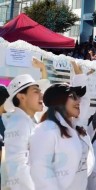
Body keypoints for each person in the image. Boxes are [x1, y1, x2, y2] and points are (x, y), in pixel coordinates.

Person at [30, 64, 95, 190]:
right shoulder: (46, 130)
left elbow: (85, 99)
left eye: (77, 97)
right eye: (72, 97)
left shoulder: (76, 126)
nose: (78, 101)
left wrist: (79, 74)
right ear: (58, 101)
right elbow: (39, 172)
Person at [1, 61, 49, 190]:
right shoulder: (19, 123)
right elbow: (17, 166)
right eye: (36, 91)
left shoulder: (30, 118)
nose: (41, 95)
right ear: (21, 97)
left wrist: (43, 69)